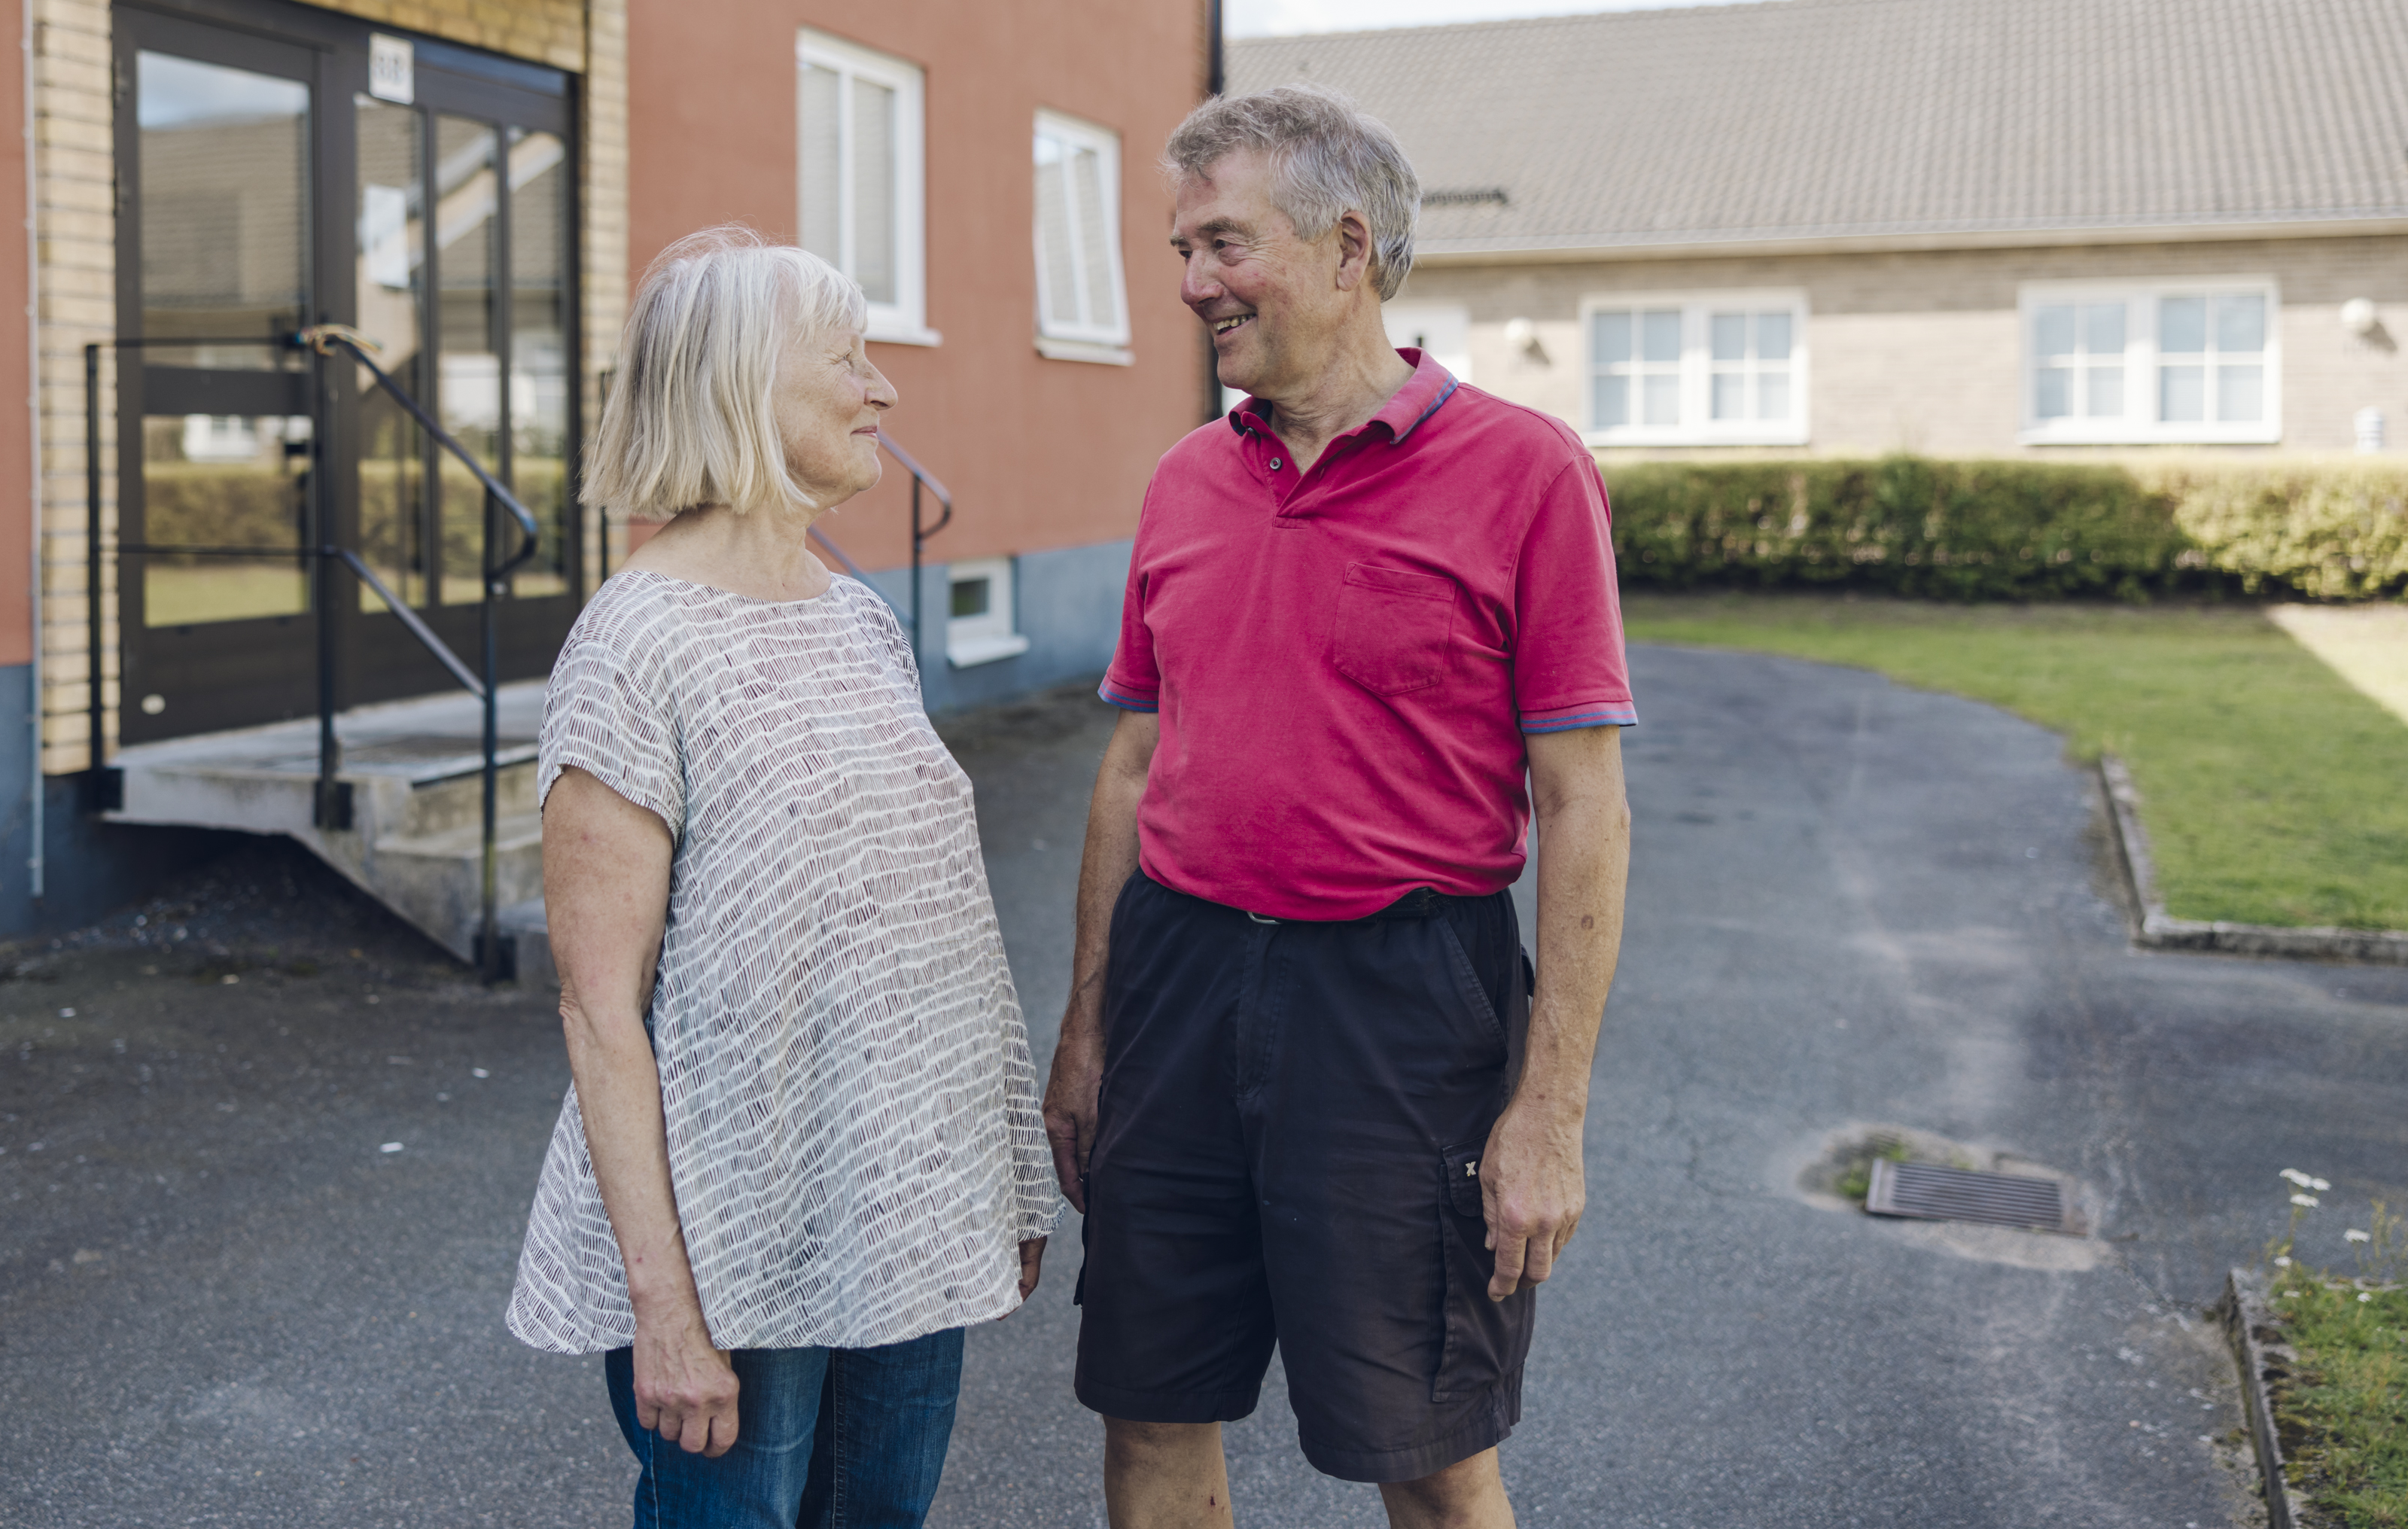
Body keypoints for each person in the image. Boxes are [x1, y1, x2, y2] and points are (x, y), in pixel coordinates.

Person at [1043, 87, 1636, 1529]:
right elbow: (1130, 769)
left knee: (1426, 1451)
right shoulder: (1186, 481)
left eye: (1223, 245)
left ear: (1347, 245)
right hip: (1182, 982)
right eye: (1182, 250)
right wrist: (1090, 1026)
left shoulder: (1524, 471)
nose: (1193, 287)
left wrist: (1548, 1109)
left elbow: (1582, 801)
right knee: (1152, 1410)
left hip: (1402, 999)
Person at [508, 227, 1061, 1528]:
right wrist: (665, 1311)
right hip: (731, 1238)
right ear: (744, 389)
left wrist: (1002, 1175)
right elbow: (600, 1012)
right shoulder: (634, 646)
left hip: (904, 1211)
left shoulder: (856, 616)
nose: (883, 389)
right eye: (849, 360)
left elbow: (937, 936)